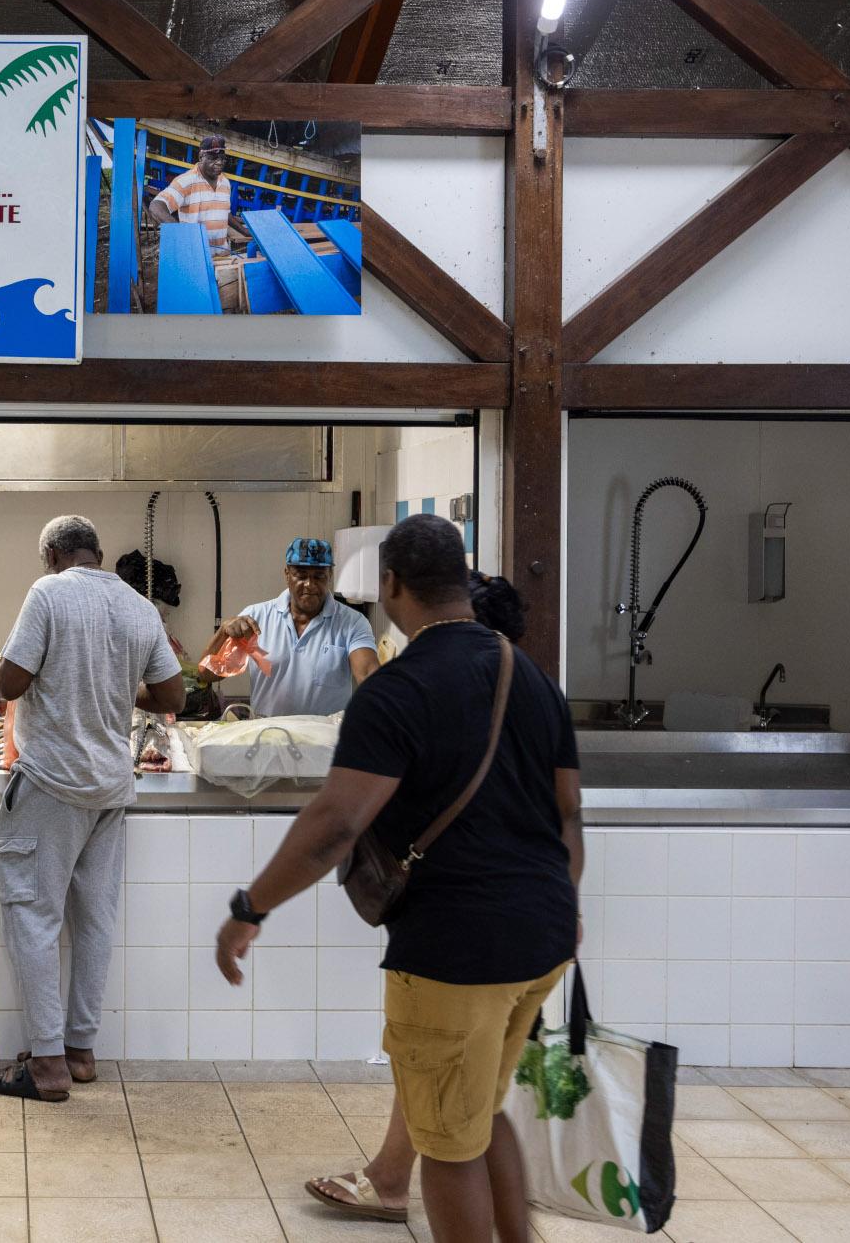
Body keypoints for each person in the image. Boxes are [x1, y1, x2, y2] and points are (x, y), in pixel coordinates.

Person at [214, 518, 582, 1242]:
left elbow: (336, 824)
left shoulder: (398, 689)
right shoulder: (533, 678)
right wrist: (564, 903)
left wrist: (250, 906)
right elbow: (569, 816)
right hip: (543, 939)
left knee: (445, 1150)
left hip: (453, 949)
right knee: (479, 1117)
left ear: (389, 586)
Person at [302, 568, 539, 1226]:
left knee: (447, 1086)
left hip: (457, 931)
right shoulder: (527, 697)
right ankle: (388, 1173)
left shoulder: (444, 698)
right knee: (457, 1076)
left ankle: (392, 1181)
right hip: (524, 928)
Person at [0, 516, 186, 1102]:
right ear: (95, 554)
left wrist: (52, 669)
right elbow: (173, 696)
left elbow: (9, 681)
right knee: (94, 920)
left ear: (51, 556)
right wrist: (116, 685)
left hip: (51, 783)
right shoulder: (137, 605)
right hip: (109, 790)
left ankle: (45, 1065)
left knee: (34, 916)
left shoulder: (48, 593)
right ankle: (80, 1051)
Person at [198, 537, 379, 717]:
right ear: (287, 574)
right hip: (268, 737)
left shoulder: (351, 623)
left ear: (330, 576)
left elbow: (368, 674)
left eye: (319, 576)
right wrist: (223, 631)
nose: (310, 584)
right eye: (301, 576)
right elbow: (207, 674)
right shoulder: (255, 619)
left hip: (326, 742)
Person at [148, 133, 252, 255]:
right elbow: (156, 206)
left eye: (222, 158)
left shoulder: (225, 182)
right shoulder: (186, 181)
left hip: (222, 253)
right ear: (201, 156)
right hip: (196, 256)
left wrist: (244, 231)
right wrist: (181, 234)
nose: (219, 162)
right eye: (213, 158)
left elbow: (224, 212)